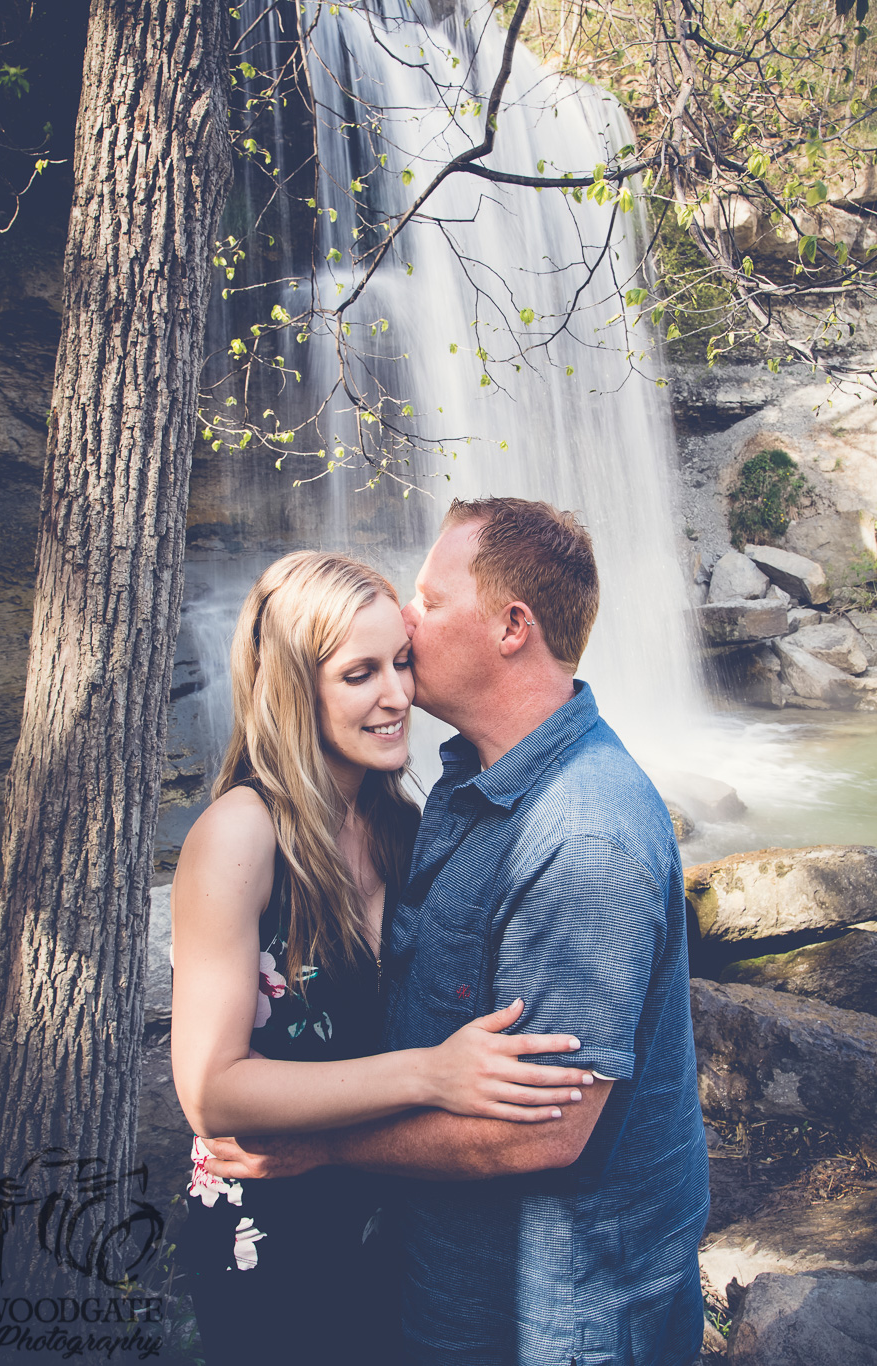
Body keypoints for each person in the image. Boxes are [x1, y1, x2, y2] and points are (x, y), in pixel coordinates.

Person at [203, 501, 711, 1366]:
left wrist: (319, 1148)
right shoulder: (460, 788)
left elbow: (545, 1130)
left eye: (430, 602)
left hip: (558, 1313)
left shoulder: (582, 836)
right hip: (441, 1281)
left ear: (512, 626)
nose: (408, 616)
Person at [169, 549, 592, 1364]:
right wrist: (431, 1073)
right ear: (296, 688)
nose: (397, 695)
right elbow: (209, 1092)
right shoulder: (240, 835)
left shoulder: (402, 825)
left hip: (388, 1214)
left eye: (400, 662)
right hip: (269, 1233)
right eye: (360, 673)